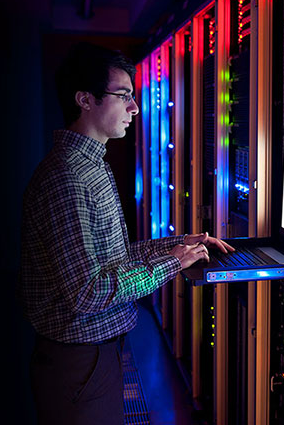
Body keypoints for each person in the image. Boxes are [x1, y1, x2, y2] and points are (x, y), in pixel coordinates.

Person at [18, 42, 234, 425]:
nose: (135, 108)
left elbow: (111, 259)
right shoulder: (68, 178)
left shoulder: (89, 165)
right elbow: (88, 291)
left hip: (93, 358)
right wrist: (171, 264)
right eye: (124, 96)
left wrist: (180, 245)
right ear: (85, 100)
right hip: (80, 363)